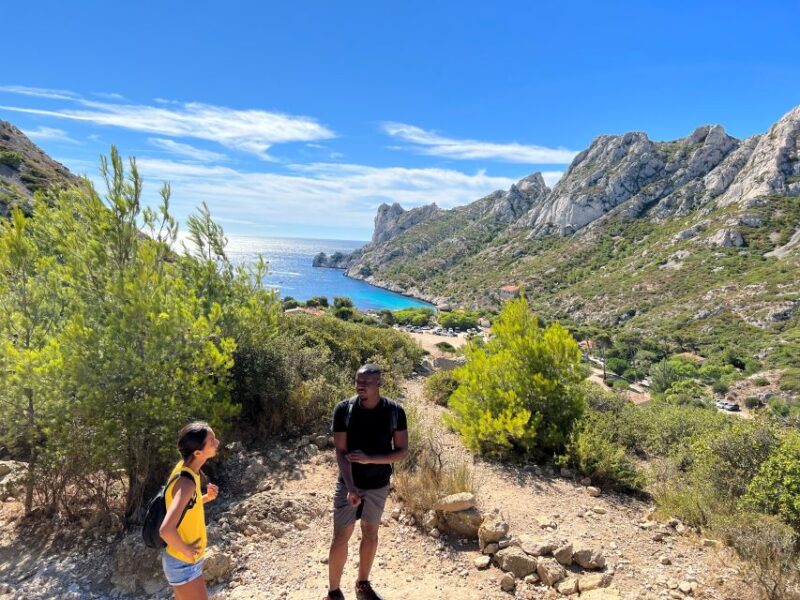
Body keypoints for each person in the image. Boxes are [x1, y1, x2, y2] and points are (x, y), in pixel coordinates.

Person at [324, 364, 409, 600]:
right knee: (341, 535)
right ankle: (333, 592)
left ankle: (362, 583)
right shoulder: (344, 410)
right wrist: (350, 488)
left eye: (366, 382)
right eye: (358, 381)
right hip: (349, 483)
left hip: (378, 484)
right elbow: (341, 452)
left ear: (379, 384)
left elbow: (402, 451)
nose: (360, 386)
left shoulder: (394, 411)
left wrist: (371, 459)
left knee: (370, 532)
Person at [159, 421, 221, 600]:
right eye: (212, 441)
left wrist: (206, 498)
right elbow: (165, 530)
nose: (217, 443)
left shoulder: (186, 469)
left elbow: (186, 507)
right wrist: (186, 551)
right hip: (184, 565)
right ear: (198, 453)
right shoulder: (186, 483)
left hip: (184, 562)